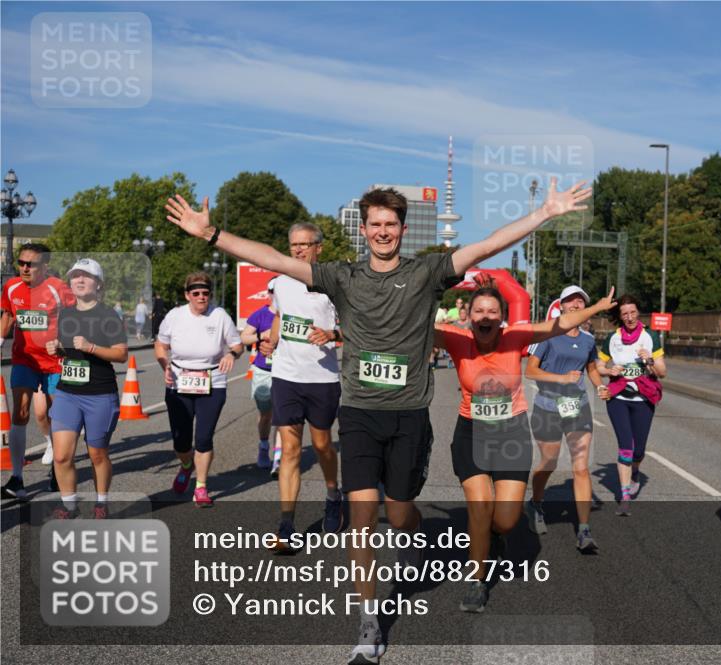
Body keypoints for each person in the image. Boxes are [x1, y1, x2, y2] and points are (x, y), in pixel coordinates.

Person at [166, 176, 590, 664]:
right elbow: (276, 260)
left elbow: (486, 246)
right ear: (363, 229)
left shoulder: (428, 271)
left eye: (391, 224)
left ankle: (412, 535)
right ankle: (368, 619)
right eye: (375, 224)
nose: (383, 231)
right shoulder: (341, 277)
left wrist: (544, 213)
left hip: (408, 417)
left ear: (402, 230)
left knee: (400, 510)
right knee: (363, 516)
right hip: (360, 414)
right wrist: (211, 234)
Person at [437, 278, 615, 612]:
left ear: (502, 317)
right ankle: (477, 581)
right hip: (471, 432)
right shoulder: (456, 338)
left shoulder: (515, 337)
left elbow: (558, 324)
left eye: (493, 311)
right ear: (469, 316)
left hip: (511, 434)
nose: (485, 316)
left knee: (505, 520)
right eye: (479, 311)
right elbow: (409, 327)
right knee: (479, 507)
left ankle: (495, 537)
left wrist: (596, 308)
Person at [259, 222, 346, 547]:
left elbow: (356, 326)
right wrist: (271, 342)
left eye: (304, 244)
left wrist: (333, 334)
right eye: (293, 244)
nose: (297, 250)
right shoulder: (280, 282)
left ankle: (333, 494)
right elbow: (279, 316)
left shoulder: (332, 283)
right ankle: (286, 524)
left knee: (322, 445)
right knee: (291, 449)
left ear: (318, 248)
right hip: (287, 376)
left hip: (322, 377)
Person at [43, 259, 127, 518]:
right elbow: (69, 348)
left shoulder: (108, 315)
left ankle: (101, 502)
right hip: (67, 393)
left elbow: (121, 354)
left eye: (86, 276)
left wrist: (91, 347)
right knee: (61, 456)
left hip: (99, 394)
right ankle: (69, 506)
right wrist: (58, 347)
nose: (79, 280)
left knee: (97, 454)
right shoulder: (66, 314)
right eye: (76, 275)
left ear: (98, 284)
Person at [524, 284, 604, 552]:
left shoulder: (588, 340)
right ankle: (536, 503)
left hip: (577, 406)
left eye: (580, 301)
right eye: (571, 300)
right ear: (561, 306)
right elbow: (530, 371)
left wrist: (599, 386)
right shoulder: (548, 334)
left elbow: (592, 368)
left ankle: (584, 530)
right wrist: (561, 378)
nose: (576, 305)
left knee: (581, 467)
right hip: (548, 406)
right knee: (549, 462)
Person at [155, 273, 243, 507]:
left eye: (205, 293)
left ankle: (201, 487)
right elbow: (161, 344)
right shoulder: (175, 316)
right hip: (179, 381)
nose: (201, 297)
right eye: (196, 293)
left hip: (213, 381)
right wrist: (165, 366)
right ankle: (186, 464)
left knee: (203, 438)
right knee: (181, 442)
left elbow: (237, 344)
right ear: (187, 295)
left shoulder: (220, 315)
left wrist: (231, 354)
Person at [1, 243, 73, 500]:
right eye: (21, 263)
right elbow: (9, 316)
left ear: (44, 266)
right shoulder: (11, 287)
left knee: (56, 416)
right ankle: (17, 479)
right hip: (25, 359)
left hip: (55, 362)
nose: (24, 268)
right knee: (20, 413)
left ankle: (58, 467)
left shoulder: (58, 288)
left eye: (30, 264)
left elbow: (76, 317)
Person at [598, 294, 666, 516]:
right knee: (626, 446)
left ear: (638, 312)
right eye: (625, 313)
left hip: (643, 400)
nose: (629, 317)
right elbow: (598, 366)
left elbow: (662, 372)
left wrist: (649, 359)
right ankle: (625, 497)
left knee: (638, 450)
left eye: (633, 312)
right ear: (620, 316)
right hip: (618, 398)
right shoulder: (612, 338)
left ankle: (635, 472)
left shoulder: (650, 336)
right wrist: (609, 370)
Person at [241, 278, 277, 472]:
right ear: (268, 293)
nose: (277, 294)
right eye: (273, 290)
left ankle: (280, 454)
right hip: (264, 370)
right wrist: (260, 335)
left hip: (288, 370)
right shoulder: (261, 314)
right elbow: (244, 337)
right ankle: (264, 447)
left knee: (285, 415)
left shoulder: (292, 314)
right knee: (266, 414)